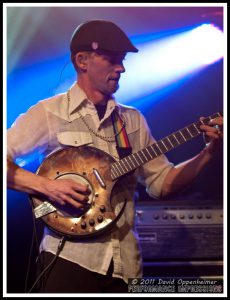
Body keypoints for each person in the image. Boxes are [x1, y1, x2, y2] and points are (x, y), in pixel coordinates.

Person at [7, 19, 223, 293]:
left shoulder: (132, 121)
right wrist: (48, 186)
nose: (121, 67)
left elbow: (162, 184)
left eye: (121, 60)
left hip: (125, 266)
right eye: (111, 59)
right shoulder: (49, 113)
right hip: (69, 260)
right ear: (82, 60)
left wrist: (209, 153)